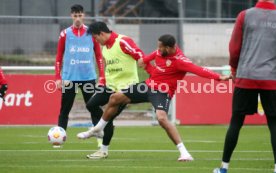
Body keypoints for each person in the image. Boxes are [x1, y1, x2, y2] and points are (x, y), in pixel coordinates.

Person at [78, 34, 229, 161]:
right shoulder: (159, 52)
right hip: (148, 85)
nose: (158, 49)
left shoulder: (181, 61)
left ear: (169, 48)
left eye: (160, 47)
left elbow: (199, 70)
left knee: (162, 119)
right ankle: (97, 129)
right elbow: (144, 60)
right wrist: (147, 66)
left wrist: (218, 77)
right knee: (115, 98)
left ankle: (184, 152)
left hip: (162, 92)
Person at [213, 1, 276, 173]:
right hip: (271, 79)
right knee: (274, 123)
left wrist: (234, 69)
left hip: (246, 75)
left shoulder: (245, 15)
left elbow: (234, 48)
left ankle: (224, 168)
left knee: (236, 122)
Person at [80, 21, 150, 159]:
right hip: (109, 86)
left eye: (95, 37)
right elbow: (107, 69)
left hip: (126, 90)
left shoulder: (123, 41)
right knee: (91, 105)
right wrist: (102, 83)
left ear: (101, 33)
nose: (95, 40)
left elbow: (140, 55)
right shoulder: (105, 47)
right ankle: (100, 128)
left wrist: (146, 65)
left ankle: (103, 150)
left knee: (108, 118)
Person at [55, 4, 105, 148]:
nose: (77, 18)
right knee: (65, 110)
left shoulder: (92, 33)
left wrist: (101, 76)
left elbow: (99, 56)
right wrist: (58, 78)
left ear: (84, 15)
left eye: (80, 15)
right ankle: (59, 139)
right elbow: (59, 57)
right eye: (75, 15)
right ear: (71, 16)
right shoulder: (65, 33)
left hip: (88, 77)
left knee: (93, 108)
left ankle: (99, 139)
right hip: (69, 78)